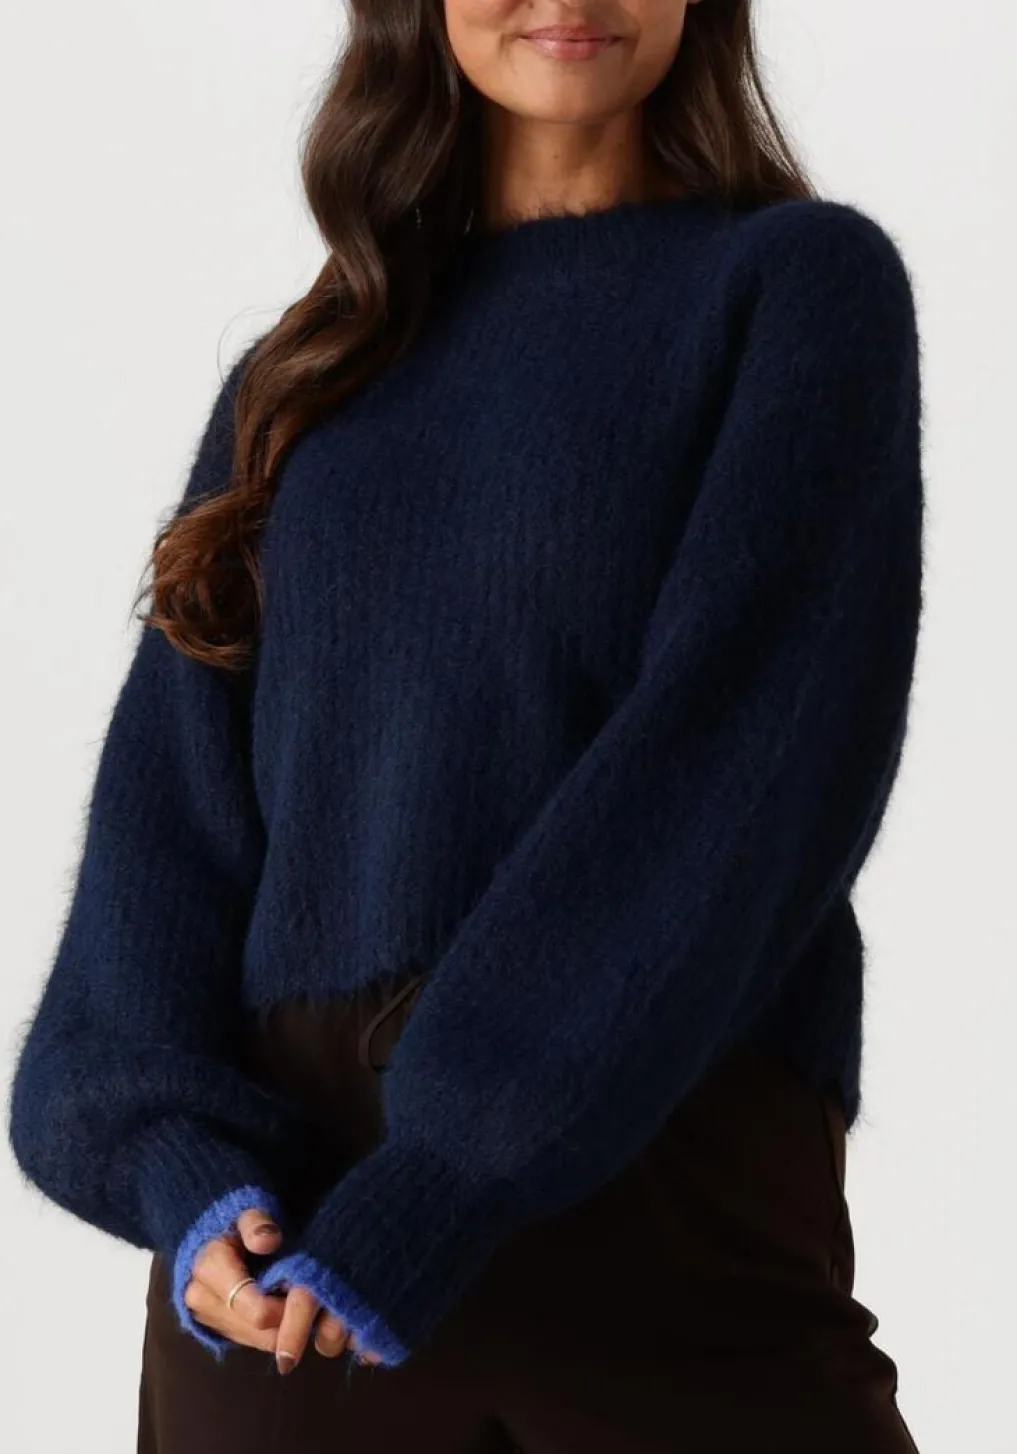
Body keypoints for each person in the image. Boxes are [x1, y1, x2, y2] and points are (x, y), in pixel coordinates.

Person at [7, 1, 926, 1450]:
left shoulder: (793, 290)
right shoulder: (304, 373)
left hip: (659, 1207)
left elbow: (755, 757)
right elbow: (163, 825)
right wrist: (177, 1165)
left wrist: (456, 1165)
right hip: (289, 1282)